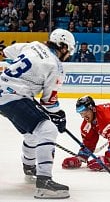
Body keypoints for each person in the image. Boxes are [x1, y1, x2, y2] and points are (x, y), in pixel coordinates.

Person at [0, 29, 75, 199]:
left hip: (4, 89)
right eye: (68, 50)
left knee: (33, 131)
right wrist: (59, 116)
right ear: (62, 47)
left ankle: (29, 167)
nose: (68, 54)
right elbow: (48, 103)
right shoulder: (55, 66)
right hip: (13, 96)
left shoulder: (33, 45)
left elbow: (6, 52)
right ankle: (44, 183)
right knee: (47, 130)